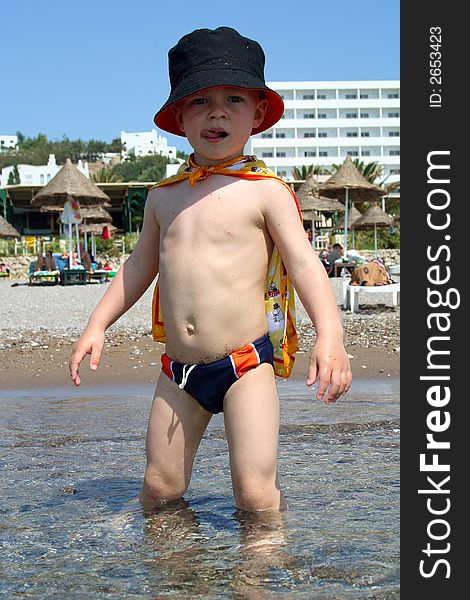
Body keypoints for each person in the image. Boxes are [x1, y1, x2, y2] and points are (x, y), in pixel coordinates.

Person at [69, 26, 351, 513]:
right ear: (179, 116)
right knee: (159, 487)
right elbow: (139, 266)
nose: (217, 111)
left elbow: (304, 264)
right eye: (200, 101)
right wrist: (97, 324)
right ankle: (175, 576)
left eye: (234, 98)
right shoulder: (163, 196)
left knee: (255, 494)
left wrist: (331, 336)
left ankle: (261, 577)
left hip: (246, 364)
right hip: (179, 370)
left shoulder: (265, 191)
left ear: (258, 113)